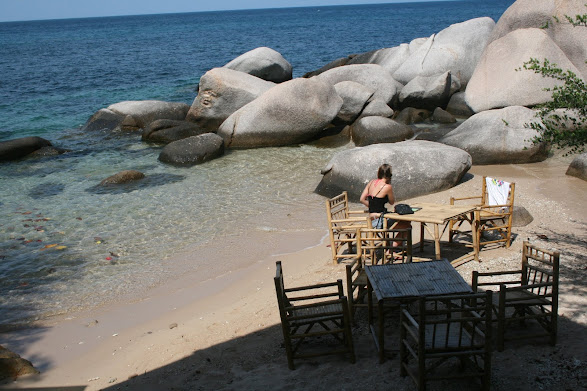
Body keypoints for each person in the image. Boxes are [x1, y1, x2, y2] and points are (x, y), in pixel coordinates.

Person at [359, 163, 411, 244]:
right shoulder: (387, 187)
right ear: (388, 175)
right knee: (407, 225)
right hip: (380, 220)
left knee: (402, 223)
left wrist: (373, 206)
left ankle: (391, 247)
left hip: (371, 219)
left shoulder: (371, 182)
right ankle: (391, 250)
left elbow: (362, 199)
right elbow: (391, 202)